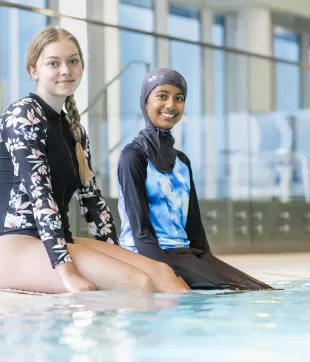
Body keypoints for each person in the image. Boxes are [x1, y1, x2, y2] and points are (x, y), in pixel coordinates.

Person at [0, 28, 188, 295]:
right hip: (15, 245)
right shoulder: (23, 115)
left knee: (161, 273)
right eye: (54, 63)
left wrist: (116, 253)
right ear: (33, 70)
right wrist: (66, 271)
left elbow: (93, 202)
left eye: (73, 61)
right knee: (138, 282)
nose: (66, 69)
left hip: (55, 241)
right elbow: (40, 195)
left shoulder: (75, 130)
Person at [117, 68, 273, 291]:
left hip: (185, 252)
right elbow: (141, 232)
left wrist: (208, 261)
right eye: (162, 95)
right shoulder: (133, 156)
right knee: (235, 290)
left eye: (179, 98)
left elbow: (194, 229)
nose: (171, 104)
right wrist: (165, 275)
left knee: (260, 288)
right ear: (145, 101)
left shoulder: (182, 161)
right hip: (150, 255)